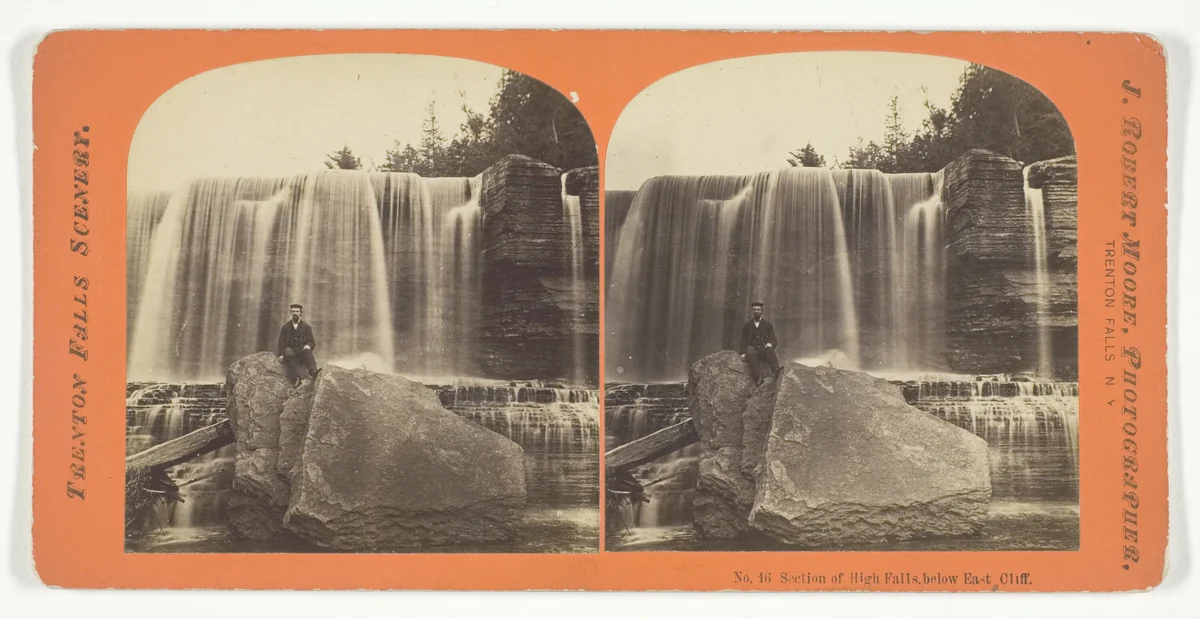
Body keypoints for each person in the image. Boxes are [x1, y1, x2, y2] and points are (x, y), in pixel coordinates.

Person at [277, 303, 320, 388]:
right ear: (291, 313)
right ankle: (296, 379)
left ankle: (313, 371)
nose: (295, 313)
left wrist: (308, 346)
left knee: (308, 352)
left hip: (302, 351)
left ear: (300, 313)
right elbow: (281, 342)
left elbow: (311, 341)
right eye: (293, 311)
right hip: (291, 351)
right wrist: (281, 354)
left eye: (297, 311)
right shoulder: (285, 327)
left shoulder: (307, 327)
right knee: (289, 354)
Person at [739, 301, 781, 385]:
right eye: (754, 310)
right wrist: (743, 352)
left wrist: (770, 344)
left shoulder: (768, 325)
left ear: (762, 311)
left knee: (769, 349)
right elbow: (743, 340)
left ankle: (776, 370)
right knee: (750, 352)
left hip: (763, 347)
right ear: (752, 311)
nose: (756, 311)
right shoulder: (747, 325)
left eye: (758, 309)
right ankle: (758, 377)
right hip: (752, 348)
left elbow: (773, 339)